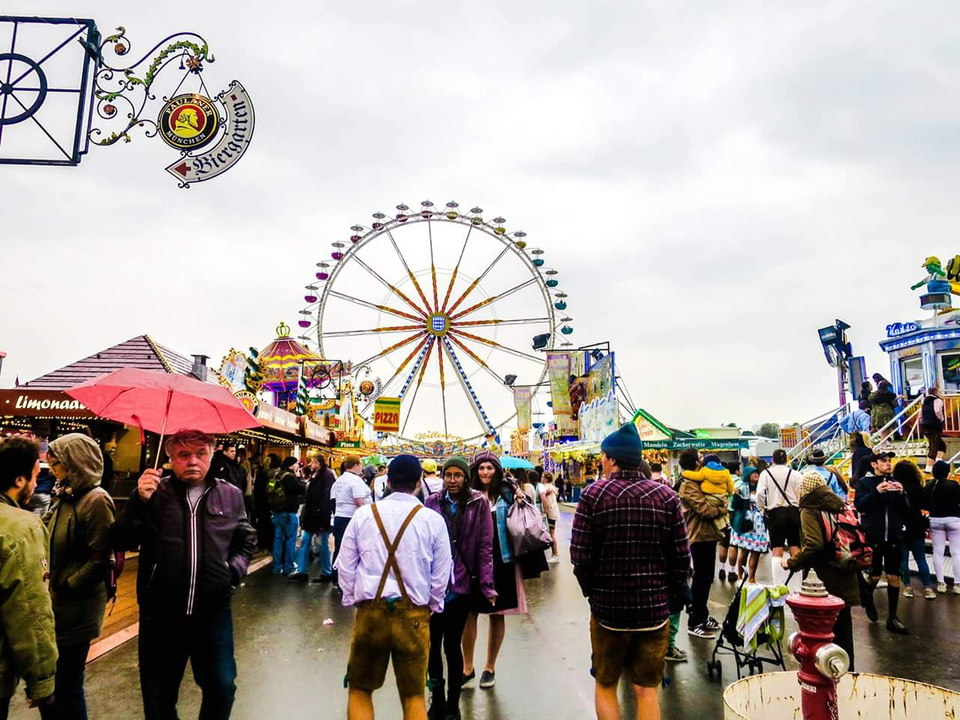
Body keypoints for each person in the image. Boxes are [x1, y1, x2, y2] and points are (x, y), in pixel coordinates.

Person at [111, 429, 256, 719]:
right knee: (159, 699)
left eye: (200, 454)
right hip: (161, 617)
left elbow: (245, 539)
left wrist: (233, 571)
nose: (192, 461)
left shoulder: (230, 494)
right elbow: (122, 539)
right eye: (184, 454)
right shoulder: (154, 493)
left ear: (211, 455)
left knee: (222, 688)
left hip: (213, 613)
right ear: (170, 458)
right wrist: (138, 501)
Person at [571, 423, 691, 720]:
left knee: (606, 683)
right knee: (647, 690)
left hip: (608, 610)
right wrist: (669, 594)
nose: (601, 460)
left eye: (603, 456)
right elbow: (681, 557)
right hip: (653, 611)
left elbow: (580, 556)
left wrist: (592, 593)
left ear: (612, 458)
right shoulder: (666, 497)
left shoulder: (593, 495)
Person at [335, 455, 452, 720]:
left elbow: (345, 566)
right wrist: (432, 606)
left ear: (387, 481)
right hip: (414, 615)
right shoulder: (432, 520)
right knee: (414, 696)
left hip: (371, 613)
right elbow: (441, 574)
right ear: (419, 483)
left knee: (360, 689)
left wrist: (354, 599)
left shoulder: (364, 515)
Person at [44, 433, 117, 719]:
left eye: (57, 464)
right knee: (52, 684)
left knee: (67, 685)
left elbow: (103, 559)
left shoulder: (96, 501)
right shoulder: (64, 496)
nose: (53, 470)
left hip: (77, 609)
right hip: (57, 604)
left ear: (75, 463)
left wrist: (67, 584)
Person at [424, 457, 496, 720]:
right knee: (432, 647)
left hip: (462, 585)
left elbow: (485, 546)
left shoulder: (479, 503)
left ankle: (453, 703)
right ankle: (437, 700)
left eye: (457, 475)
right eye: (448, 475)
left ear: (466, 477)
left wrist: (487, 585)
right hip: (434, 587)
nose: (452, 480)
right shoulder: (432, 502)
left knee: (452, 646)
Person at [0, 437, 57, 719]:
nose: (35, 485)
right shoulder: (22, 528)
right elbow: (29, 609)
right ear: (19, 479)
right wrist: (42, 679)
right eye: (35, 477)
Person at [461, 452, 526, 690]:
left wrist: (519, 494)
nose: (485, 472)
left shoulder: (508, 493)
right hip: (472, 561)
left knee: (498, 613)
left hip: (502, 558)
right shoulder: (468, 495)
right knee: (469, 612)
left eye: (489, 468)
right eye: (481, 468)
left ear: (497, 470)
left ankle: (490, 667)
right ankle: (467, 667)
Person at [784, 471, 860, 670]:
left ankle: (826, 671)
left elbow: (814, 545)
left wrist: (792, 563)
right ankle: (847, 670)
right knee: (844, 630)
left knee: (822, 631)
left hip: (824, 579)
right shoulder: (840, 504)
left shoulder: (809, 510)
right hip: (846, 571)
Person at [855, 451, 909, 634]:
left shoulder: (895, 482)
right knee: (875, 575)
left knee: (894, 576)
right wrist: (876, 492)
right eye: (883, 461)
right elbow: (860, 505)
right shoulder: (865, 483)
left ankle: (892, 617)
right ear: (874, 464)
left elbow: (906, 509)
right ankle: (867, 597)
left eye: (889, 460)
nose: (888, 463)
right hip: (874, 535)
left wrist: (902, 493)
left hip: (894, 535)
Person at [678, 449, 726, 638]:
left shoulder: (699, 481)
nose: (703, 460)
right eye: (700, 458)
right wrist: (722, 509)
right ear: (696, 463)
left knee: (706, 579)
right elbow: (704, 510)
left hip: (708, 535)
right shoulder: (689, 485)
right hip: (698, 536)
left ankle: (703, 616)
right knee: (700, 580)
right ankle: (695, 621)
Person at [756, 449, 801, 585]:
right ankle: (798, 585)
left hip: (775, 513)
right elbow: (801, 492)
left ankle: (777, 584)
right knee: (795, 546)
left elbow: (760, 494)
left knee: (777, 549)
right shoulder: (796, 474)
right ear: (786, 459)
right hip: (794, 512)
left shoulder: (766, 474)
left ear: (773, 460)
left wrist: (763, 508)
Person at [290, 454, 336, 582]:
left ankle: (326, 572)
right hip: (312, 515)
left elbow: (326, 498)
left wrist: (325, 518)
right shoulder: (317, 475)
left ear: (318, 463)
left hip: (319, 516)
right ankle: (302, 571)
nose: (311, 464)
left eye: (313, 462)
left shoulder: (326, 476)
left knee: (322, 544)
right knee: (307, 542)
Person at [893, 461, 936, 599]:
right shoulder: (918, 487)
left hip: (900, 526)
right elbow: (927, 505)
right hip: (917, 525)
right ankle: (928, 588)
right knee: (921, 558)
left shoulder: (895, 487)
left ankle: (908, 587)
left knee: (903, 560)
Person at [330, 455, 370, 589]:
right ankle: (346, 580)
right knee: (351, 550)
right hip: (352, 517)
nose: (362, 467)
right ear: (356, 465)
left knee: (339, 548)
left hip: (339, 517)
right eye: (361, 464)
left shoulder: (339, 480)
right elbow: (360, 501)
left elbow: (332, 500)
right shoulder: (356, 481)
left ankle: (336, 577)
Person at [729, 465, 770, 583]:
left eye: (757, 472)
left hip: (759, 523)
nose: (756, 474)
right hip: (745, 521)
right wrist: (737, 496)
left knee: (756, 551)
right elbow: (735, 506)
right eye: (753, 473)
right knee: (744, 550)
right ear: (747, 475)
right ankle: (740, 576)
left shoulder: (762, 488)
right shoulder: (742, 487)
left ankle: (752, 578)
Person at [926, 460, 960, 594]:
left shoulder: (929, 485)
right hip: (954, 519)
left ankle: (941, 583)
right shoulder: (954, 485)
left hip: (935, 520)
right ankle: (957, 584)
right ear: (947, 472)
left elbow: (925, 502)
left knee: (938, 552)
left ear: (934, 472)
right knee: (956, 552)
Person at [271, 456, 305, 576]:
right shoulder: (290, 477)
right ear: (291, 465)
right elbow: (301, 489)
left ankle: (276, 567)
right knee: (291, 540)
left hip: (277, 512)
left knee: (278, 540)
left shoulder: (277, 475)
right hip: (289, 512)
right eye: (297, 464)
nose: (298, 466)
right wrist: (299, 477)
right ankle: (288, 567)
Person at [921, 387, 947, 473]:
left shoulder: (925, 401)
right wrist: (941, 418)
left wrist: (922, 421)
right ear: (936, 392)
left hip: (925, 425)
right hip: (933, 425)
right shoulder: (937, 400)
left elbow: (921, 414)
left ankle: (938, 463)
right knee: (934, 446)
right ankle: (928, 468)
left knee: (941, 445)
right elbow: (937, 411)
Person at [538, 471, 561, 563]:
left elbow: (549, 503)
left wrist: (545, 512)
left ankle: (555, 554)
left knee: (552, 534)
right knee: (551, 533)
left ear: (546, 479)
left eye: (542, 477)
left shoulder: (546, 488)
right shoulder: (550, 487)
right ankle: (554, 554)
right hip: (552, 513)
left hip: (550, 514)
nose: (541, 478)